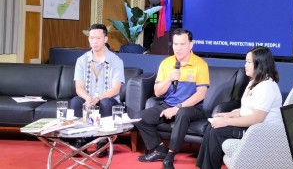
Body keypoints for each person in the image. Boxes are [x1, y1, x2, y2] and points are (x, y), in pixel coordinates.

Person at [196, 46, 283, 169]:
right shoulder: (254, 82)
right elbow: (246, 110)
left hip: (261, 132)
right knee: (212, 126)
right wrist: (228, 115)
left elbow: (257, 118)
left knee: (217, 131)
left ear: (259, 64)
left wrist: (227, 121)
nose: (245, 65)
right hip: (251, 127)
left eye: (249, 62)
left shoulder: (266, 86)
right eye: (245, 61)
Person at [134, 28, 209, 169]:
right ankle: (160, 149)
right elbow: (157, 92)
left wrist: (177, 108)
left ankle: (170, 155)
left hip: (192, 108)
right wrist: (169, 78)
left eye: (182, 44)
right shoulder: (166, 63)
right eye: (175, 44)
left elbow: (201, 94)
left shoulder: (200, 64)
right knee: (139, 117)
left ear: (190, 45)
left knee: (182, 112)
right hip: (168, 104)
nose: (178, 48)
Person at [69, 23, 125, 157]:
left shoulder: (116, 61)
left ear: (105, 39)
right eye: (91, 38)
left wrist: (98, 98)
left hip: (108, 100)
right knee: (76, 101)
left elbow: (116, 89)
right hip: (89, 98)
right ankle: (79, 141)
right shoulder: (82, 60)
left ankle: (102, 141)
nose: (94, 41)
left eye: (98, 38)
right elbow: (79, 87)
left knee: (105, 102)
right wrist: (89, 98)